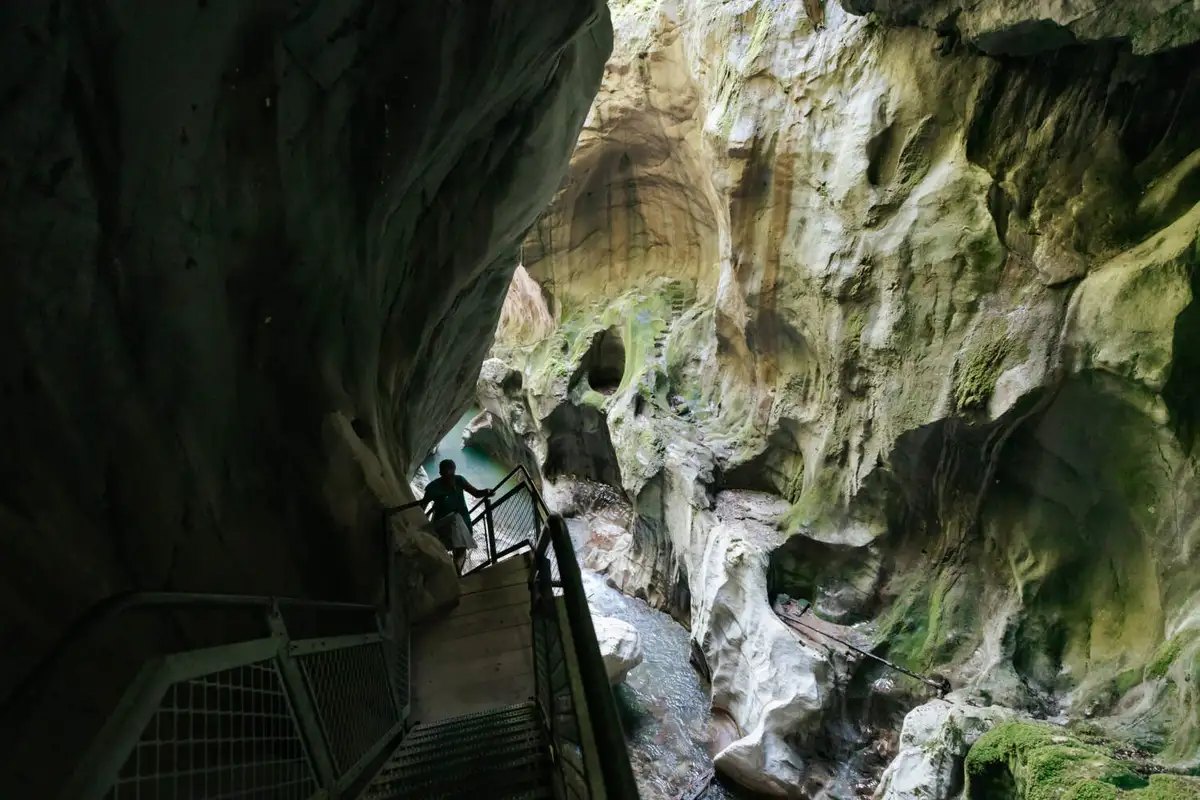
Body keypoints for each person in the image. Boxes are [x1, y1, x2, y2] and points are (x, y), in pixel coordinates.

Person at [420, 459, 493, 574]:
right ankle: (451, 572)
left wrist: (486, 491)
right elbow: (421, 508)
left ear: (454, 471)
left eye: (452, 474)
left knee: (460, 548)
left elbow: (475, 492)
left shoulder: (459, 480)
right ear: (440, 473)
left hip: (463, 521)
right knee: (449, 547)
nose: (450, 479)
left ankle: (456, 573)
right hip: (443, 525)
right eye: (446, 475)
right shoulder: (433, 488)